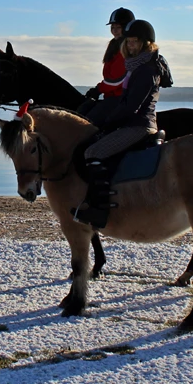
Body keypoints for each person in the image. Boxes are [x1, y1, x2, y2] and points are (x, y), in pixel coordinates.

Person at [74, 18, 173, 228]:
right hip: (134, 122)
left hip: (138, 125)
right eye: (128, 42)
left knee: (93, 153)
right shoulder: (137, 66)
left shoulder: (147, 69)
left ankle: (99, 211)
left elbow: (131, 106)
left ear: (147, 44)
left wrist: (109, 122)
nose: (130, 46)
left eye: (135, 42)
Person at [78, 7, 134, 117]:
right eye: (113, 27)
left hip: (120, 97)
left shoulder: (127, 48)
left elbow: (117, 80)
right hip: (110, 95)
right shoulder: (114, 45)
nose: (114, 30)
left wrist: (99, 89)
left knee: (89, 121)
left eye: (118, 27)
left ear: (127, 28)